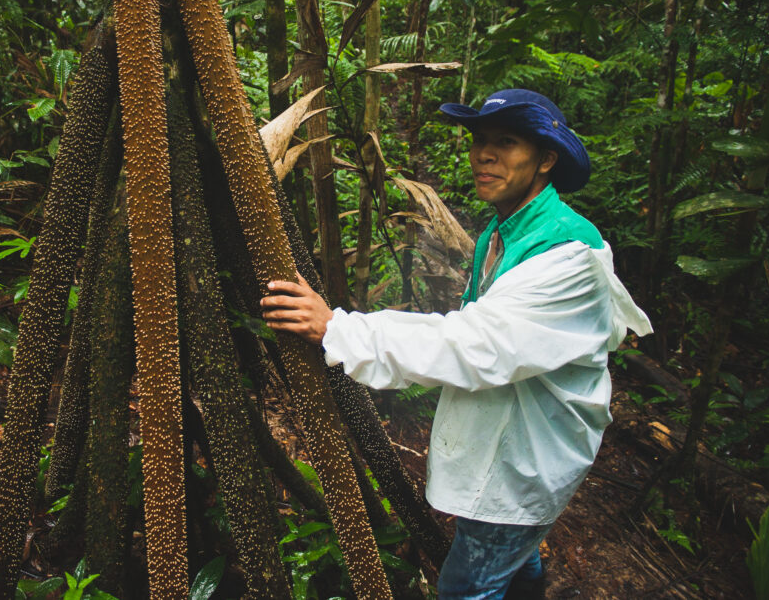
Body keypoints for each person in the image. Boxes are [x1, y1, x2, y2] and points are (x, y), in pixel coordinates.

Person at [260, 89, 652, 599]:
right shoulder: (504, 231)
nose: (484, 154)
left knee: (466, 586)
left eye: (506, 142)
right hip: (513, 440)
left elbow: (478, 343)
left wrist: (339, 328)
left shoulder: (568, 254)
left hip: (528, 455)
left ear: (545, 160)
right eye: (480, 140)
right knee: (517, 560)